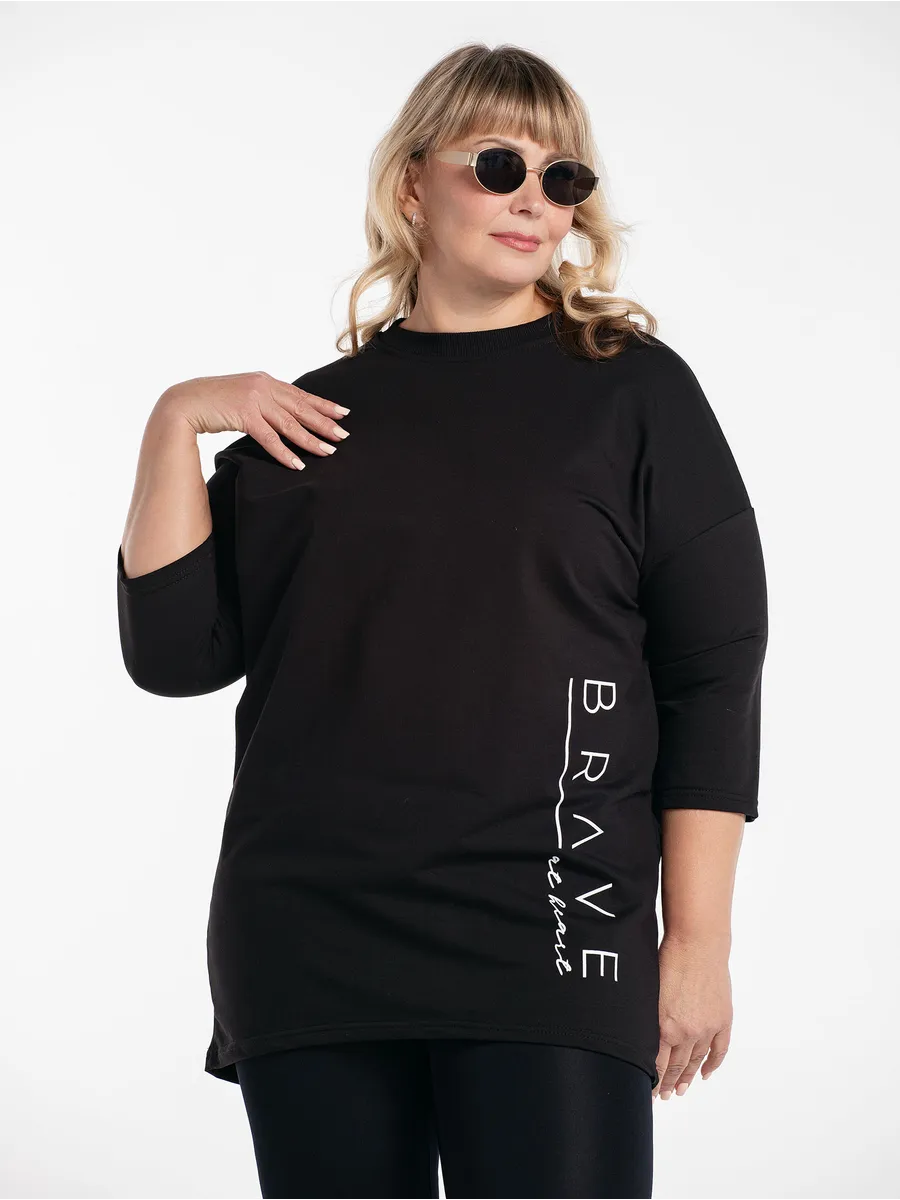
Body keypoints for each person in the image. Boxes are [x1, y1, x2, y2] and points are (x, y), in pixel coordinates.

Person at [116, 42, 768, 1200]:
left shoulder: (632, 393)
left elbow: (712, 671)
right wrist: (177, 419)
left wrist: (698, 942)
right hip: (311, 938)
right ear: (413, 184)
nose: (535, 200)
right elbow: (173, 657)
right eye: (500, 163)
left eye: (564, 179)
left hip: (556, 925)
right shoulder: (309, 424)